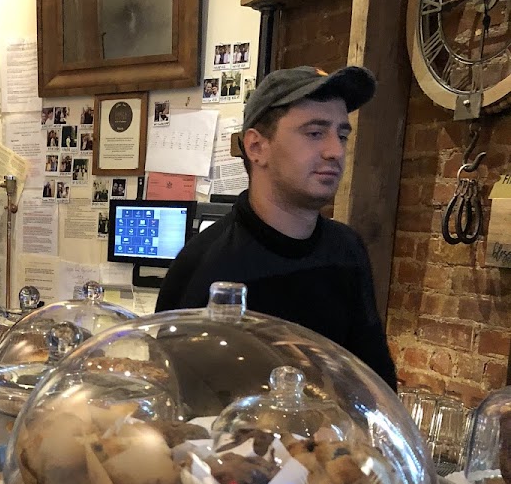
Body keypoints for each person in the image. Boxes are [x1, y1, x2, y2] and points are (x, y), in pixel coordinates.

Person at [156, 65, 397, 389]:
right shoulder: (207, 265)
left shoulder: (347, 250)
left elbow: (374, 386)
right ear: (256, 147)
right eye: (315, 133)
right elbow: (178, 414)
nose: (335, 151)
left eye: (341, 135)